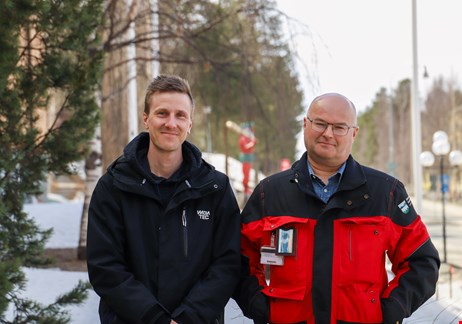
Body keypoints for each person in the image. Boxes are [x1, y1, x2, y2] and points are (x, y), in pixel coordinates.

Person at [233, 93, 440, 324]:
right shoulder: (269, 194)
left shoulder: (386, 193)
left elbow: (422, 262)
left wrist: (391, 310)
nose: (328, 133)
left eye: (340, 127)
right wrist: (259, 306)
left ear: (354, 133)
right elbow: (237, 257)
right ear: (305, 125)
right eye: (320, 123)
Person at [87, 74, 241, 324]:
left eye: (180, 115)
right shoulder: (113, 186)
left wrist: (189, 316)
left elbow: (227, 263)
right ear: (146, 118)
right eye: (162, 113)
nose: (171, 123)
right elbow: (105, 267)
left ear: (190, 123)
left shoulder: (215, 188)